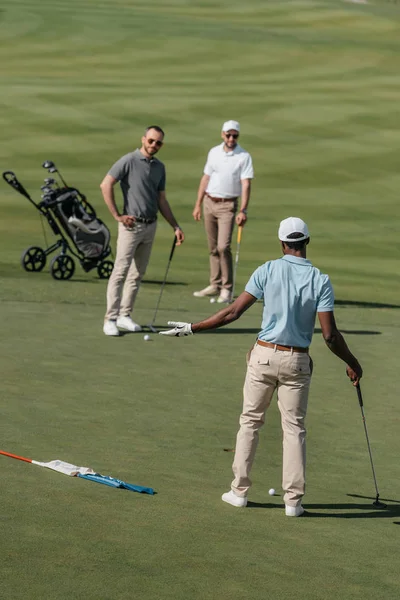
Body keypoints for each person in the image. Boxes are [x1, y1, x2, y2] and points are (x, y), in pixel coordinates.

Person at [160, 217, 363, 516]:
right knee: (294, 430)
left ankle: (238, 491)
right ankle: (293, 502)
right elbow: (330, 336)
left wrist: (193, 327)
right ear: (306, 242)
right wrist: (353, 363)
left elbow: (232, 313)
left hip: (264, 357)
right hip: (297, 361)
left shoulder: (268, 269)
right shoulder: (320, 279)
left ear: (282, 243)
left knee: (250, 422)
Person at [100, 126, 185, 336]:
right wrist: (117, 216)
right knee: (120, 271)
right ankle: (110, 318)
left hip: (150, 225)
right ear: (143, 139)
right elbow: (106, 184)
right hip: (131, 225)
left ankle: (124, 315)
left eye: (158, 143)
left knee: (137, 274)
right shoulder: (129, 160)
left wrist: (175, 226)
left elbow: (161, 200)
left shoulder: (159, 167)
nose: (154, 145)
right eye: (151, 141)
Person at [192, 120, 254, 304]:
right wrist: (198, 203)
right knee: (212, 248)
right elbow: (206, 178)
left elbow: (246, 184)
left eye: (234, 135)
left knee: (223, 247)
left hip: (228, 206)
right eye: (228, 135)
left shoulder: (244, 156)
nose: (231, 138)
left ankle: (226, 288)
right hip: (209, 202)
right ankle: (214, 283)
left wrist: (243, 209)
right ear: (222, 135)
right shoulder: (214, 152)